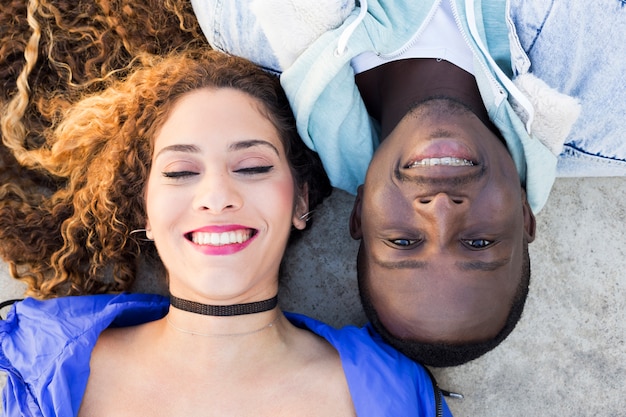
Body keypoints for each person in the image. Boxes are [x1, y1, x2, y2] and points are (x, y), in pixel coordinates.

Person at [0, 49, 454, 416]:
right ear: (147, 214)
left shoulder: (396, 394)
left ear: (300, 200)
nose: (217, 195)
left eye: (253, 166)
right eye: (180, 172)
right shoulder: (24, 369)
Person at [188, 0, 618, 366]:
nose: (440, 209)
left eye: (403, 241)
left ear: (360, 214)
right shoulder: (610, 107)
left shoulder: (252, 28)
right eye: (480, 243)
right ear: (524, 215)